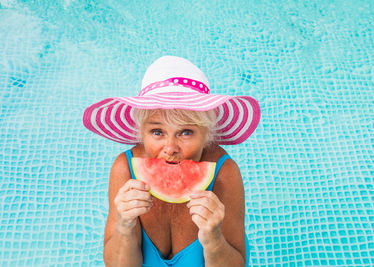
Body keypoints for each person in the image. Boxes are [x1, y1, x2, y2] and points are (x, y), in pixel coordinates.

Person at [83, 56, 261, 267]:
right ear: (142, 132)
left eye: (185, 132)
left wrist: (213, 240)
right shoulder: (125, 169)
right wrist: (124, 226)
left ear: (207, 134)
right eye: (157, 132)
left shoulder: (223, 173)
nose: (170, 148)